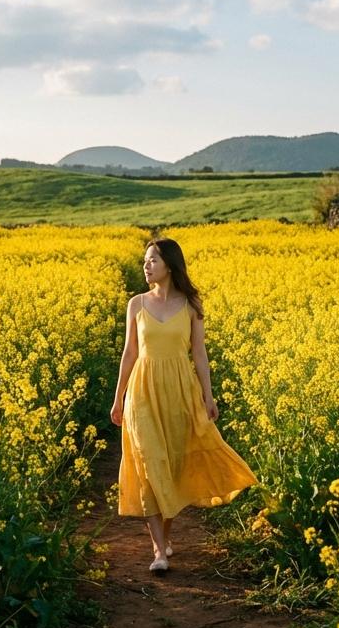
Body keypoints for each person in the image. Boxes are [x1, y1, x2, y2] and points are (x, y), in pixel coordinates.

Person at [110, 238, 257, 573]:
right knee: (149, 466)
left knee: (172, 468)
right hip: (143, 393)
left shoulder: (191, 304)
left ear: (170, 265)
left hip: (179, 390)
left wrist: (208, 395)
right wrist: (118, 397)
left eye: (152, 261)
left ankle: (166, 537)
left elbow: (199, 354)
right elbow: (130, 353)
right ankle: (159, 550)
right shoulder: (136, 304)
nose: (146, 266)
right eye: (145, 261)